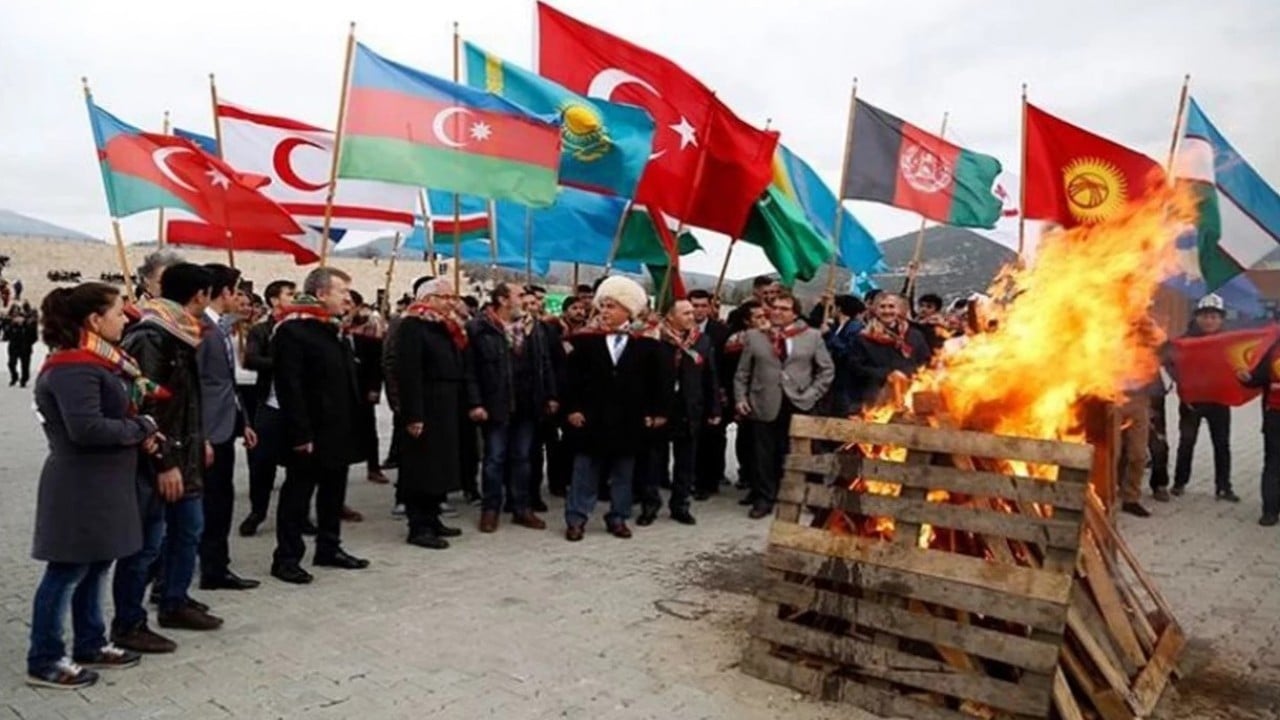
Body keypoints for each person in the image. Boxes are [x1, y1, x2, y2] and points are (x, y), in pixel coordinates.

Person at [26, 283, 162, 689]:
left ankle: (91, 641)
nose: (124, 319)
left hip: (105, 481)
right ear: (94, 320)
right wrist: (141, 427)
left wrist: (137, 430)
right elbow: (86, 429)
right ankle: (46, 658)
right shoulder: (73, 367)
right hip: (80, 484)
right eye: (118, 312)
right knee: (67, 570)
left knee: (97, 564)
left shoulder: (99, 362)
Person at [117, 263, 221, 641]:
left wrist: (199, 439)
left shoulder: (181, 333)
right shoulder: (152, 336)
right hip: (159, 461)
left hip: (185, 451)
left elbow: (185, 401)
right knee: (146, 547)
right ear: (200, 295)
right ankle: (128, 622)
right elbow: (145, 406)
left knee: (188, 530)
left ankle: (174, 600)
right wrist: (165, 463)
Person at [270, 267, 369, 584]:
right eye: (342, 291)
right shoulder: (293, 329)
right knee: (298, 495)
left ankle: (329, 547)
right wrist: (301, 432)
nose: (348, 299)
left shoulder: (333, 328)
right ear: (322, 293)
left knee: (334, 492)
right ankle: (287, 558)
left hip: (339, 427)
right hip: (310, 430)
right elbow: (290, 386)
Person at [561, 276, 669, 541]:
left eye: (611, 306)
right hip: (592, 417)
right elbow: (570, 379)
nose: (604, 311)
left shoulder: (647, 343)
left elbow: (659, 381)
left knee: (623, 472)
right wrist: (572, 408)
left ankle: (618, 517)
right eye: (603, 305)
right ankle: (576, 519)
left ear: (627, 310)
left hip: (629, 419)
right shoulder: (585, 340)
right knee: (585, 470)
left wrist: (657, 413)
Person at [466, 283, 557, 533]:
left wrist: (550, 394)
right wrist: (475, 403)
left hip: (527, 404)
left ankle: (521, 508)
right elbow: (471, 370)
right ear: (503, 300)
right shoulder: (479, 328)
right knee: (494, 459)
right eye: (519, 296)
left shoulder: (533, 328)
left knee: (523, 458)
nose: (525, 300)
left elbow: (544, 363)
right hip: (496, 404)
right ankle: (490, 509)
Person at [734, 292, 834, 518]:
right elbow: (742, 373)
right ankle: (764, 498)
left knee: (804, 452)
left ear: (795, 313)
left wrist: (812, 394)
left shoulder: (812, 336)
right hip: (764, 402)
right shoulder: (754, 336)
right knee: (763, 455)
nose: (778, 312)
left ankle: (810, 498)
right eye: (775, 308)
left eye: (784, 309)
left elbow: (826, 370)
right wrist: (741, 398)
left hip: (799, 402)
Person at [193, 263, 259, 592]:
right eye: (236, 290)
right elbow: (196, 386)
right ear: (224, 292)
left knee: (222, 499)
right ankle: (211, 568)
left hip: (225, 424)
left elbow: (227, 383)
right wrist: (201, 434)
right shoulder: (201, 329)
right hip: (209, 431)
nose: (239, 297)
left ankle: (216, 565)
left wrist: (242, 420)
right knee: (213, 502)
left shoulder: (219, 327)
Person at [395, 278, 474, 548]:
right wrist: (413, 414)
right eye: (445, 297)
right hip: (426, 404)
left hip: (447, 403)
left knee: (440, 465)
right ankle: (418, 525)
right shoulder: (412, 325)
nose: (451, 302)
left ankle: (432, 517)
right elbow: (409, 372)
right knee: (422, 466)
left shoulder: (443, 325)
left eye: (453, 297)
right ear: (428, 299)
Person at [639, 299, 720, 525]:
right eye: (685, 313)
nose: (691, 317)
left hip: (689, 409)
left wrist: (714, 407)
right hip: (660, 410)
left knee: (685, 462)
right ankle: (650, 505)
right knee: (653, 461)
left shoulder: (701, 341)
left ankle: (680, 505)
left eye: (692, 313)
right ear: (670, 316)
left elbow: (710, 376)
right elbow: (643, 379)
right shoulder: (654, 338)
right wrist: (646, 411)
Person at [239, 279, 295, 537]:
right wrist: (283, 363)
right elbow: (250, 359)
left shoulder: (302, 328)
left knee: (299, 466)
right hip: (270, 404)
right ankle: (257, 511)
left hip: (297, 407)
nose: (294, 298)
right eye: (289, 294)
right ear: (274, 300)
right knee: (262, 463)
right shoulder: (261, 330)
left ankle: (298, 515)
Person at [1171, 294, 1238, 501]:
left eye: (1214, 317)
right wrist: (1182, 383)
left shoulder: (1228, 342)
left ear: (1221, 319)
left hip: (1219, 400)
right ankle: (1180, 482)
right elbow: (1171, 363)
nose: (1209, 320)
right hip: (1192, 401)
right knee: (1186, 442)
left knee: (1222, 444)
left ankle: (1224, 487)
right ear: (1197, 317)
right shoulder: (1184, 341)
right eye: (1205, 316)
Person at [847, 292, 932, 412]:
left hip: (910, 397)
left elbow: (926, 362)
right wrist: (887, 374)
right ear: (876, 310)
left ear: (899, 309)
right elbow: (856, 367)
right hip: (875, 399)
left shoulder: (914, 335)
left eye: (891, 306)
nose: (887, 311)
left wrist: (907, 373)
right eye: (882, 307)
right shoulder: (863, 338)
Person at [688, 290, 729, 500]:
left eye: (703, 306)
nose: (699, 310)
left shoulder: (721, 331)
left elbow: (727, 363)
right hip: (688, 393)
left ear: (710, 307)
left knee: (711, 438)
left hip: (712, 391)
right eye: (695, 306)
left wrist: (722, 390)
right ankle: (689, 479)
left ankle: (708, 482)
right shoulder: (679, 329)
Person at [347, 290, 389, 486]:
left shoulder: (370, 327)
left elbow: (376, 362)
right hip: (339, 387)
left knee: (368, 428)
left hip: (363, 385)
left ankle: (373, 467)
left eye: (350, 303)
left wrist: (375, 387)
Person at [1238, 332, 1280, 526]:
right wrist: (1247, 378)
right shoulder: (1272, 348)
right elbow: (1258, 377)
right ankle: (1270, 510)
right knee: (1273, 462)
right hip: (1275, 415)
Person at [824, 294, 866, 417]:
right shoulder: (837, 326)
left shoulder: (855, 327)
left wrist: (829, 335)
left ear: (839, 308)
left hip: (847, 379)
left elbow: (848, 350)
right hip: (836, 378)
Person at [6, 305, 37, 387]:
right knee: (11, 364)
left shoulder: (28, 323)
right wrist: (12, 326)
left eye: (17, 312)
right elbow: (7, 335)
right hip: (14, 346)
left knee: (25, 365)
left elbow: (34, 336)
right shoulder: (10, 323)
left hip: (25, 347)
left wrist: (28, 342)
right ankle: (14, 376)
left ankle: (24, 379)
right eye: (14, 313)